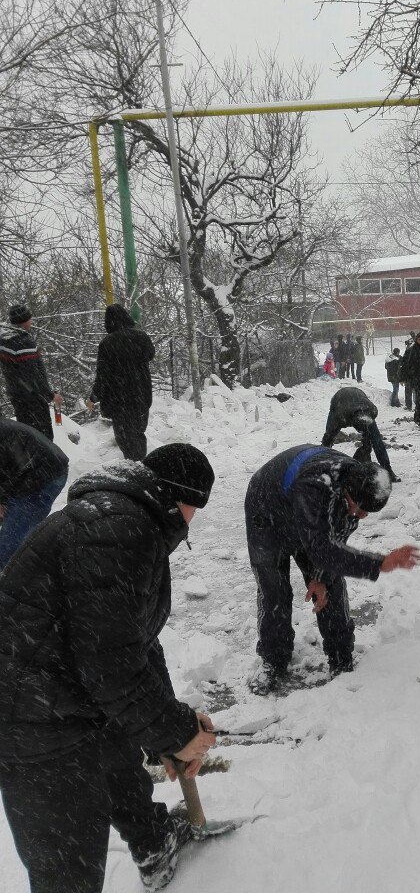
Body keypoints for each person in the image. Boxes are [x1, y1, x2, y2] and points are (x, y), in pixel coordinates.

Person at [0, 443, 218, 893]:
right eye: (197, 509)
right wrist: (176, 730)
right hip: (29, 716)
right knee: (67, 864)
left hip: (66, 688)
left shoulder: (122, 517)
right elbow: (112, 666)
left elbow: (133, 641)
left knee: (119, 759)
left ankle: (155, 845)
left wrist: (166, 730)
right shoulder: (120, 529)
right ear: (185, 500)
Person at [245, 445, 420, 688]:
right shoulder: (315, 485)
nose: (361, 517)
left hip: (309, 515)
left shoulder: (355, 483)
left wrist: (320, 578)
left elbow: (335, 544)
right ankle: (273, 659)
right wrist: (379, 563)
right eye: (359, 509)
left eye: (366, 512)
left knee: (332, 585)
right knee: (273, 588)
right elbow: (322, 550)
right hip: (267, 512)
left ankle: (341, 657)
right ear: (346, 492)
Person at [87, 304, 155, 460]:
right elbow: (150, 355)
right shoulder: (141, 337)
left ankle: (133, 466)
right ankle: (140, 464)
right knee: (138, 433)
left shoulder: (107, 343)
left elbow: (102, 375)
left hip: (120, 399)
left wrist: (93, 397)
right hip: (141, 395)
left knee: (124, 437)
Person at [0, 419, 69, 570]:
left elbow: (5, 472)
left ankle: (14, 579)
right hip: (33, 471)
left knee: (11, 542)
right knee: (16, 532)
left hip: (44, 475)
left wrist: (2, 501)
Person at [0, 304, 62, 440]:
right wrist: (51, 395)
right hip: (32, 398)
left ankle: (33, 460)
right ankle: (45, 461)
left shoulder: (5, 341)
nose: (31, 320)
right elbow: (32, 375)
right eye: (29, 317)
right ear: (25, 320)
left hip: (17, 396)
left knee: (28, 437)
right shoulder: (23, 343)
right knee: (43, 438)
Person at [321, 385, 400, 481]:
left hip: (359, 398)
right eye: (360, 429)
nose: (360, 431)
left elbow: (378, 443)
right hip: (339, 399)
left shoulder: (371, 412)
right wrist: (323, 454)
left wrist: (387, 469)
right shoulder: (339, 417)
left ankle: (373, 464)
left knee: (374, 440)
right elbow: (328, 436)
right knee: (328, 438)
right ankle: (322, 467)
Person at [399, 335, 416, 411]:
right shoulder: (407, 353)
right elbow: (403, 366)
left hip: (415, 376)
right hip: (409, 376)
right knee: (409, 391)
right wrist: (402, 378)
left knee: (414, 391)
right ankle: (409, 405)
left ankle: (416, 405)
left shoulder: (416, 352)